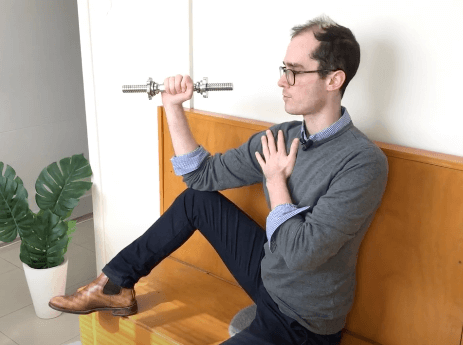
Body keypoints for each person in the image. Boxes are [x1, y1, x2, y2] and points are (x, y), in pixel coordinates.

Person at [49, 14, 388, 345]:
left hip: (302, 320)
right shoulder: (280, 138)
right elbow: (200, 177)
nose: (282, 81)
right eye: (284, 69)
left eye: (295, 72)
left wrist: (275, 182)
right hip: (269, 274)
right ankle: (114, 285)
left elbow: (302, 254)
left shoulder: (363, 162)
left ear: (334, 80)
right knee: (199, 200)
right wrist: (173, 107)